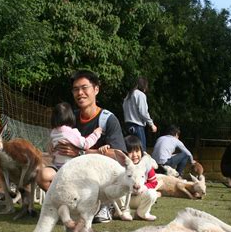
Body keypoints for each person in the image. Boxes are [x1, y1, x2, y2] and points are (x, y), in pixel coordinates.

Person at [37, 70, 126, 223]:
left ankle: (104, 205)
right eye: (76, 89)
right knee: (42, 175)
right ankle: (69, 207)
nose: (80, 93)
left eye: (84, 88)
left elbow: (120, 156)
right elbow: (57, 139)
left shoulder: (108, 120)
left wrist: (80, 153)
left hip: (97, 178)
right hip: (70, 172)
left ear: (96, 89)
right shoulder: (70, 118)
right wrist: (51, 146)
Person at [113, 135, 159, 221]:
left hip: (138, 197)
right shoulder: (122, 166)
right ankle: (123, 211)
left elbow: (153, 183)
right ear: (125, 154)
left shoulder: (146, 166)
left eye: (137, 151)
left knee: (152, 193)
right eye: (130, 152)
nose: (134, 155)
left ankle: (142, 213)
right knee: (116, 188)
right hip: (124, 197)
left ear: (141, 151)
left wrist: (143, 188)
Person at [49, 102, 102, 169]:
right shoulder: (72, 132)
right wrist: (96, 134)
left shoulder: (54, 133)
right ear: (70, 116)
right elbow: (85, 144)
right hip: (70, 166)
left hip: (57, 165)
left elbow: (51, 148)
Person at [122, 76, 157, 151]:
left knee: (131, 150)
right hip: (137, 126)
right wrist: (151, 124)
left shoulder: (128, 95)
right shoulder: (140, 95)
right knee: (142, 150)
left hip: (128, 126)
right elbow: (143, 112)